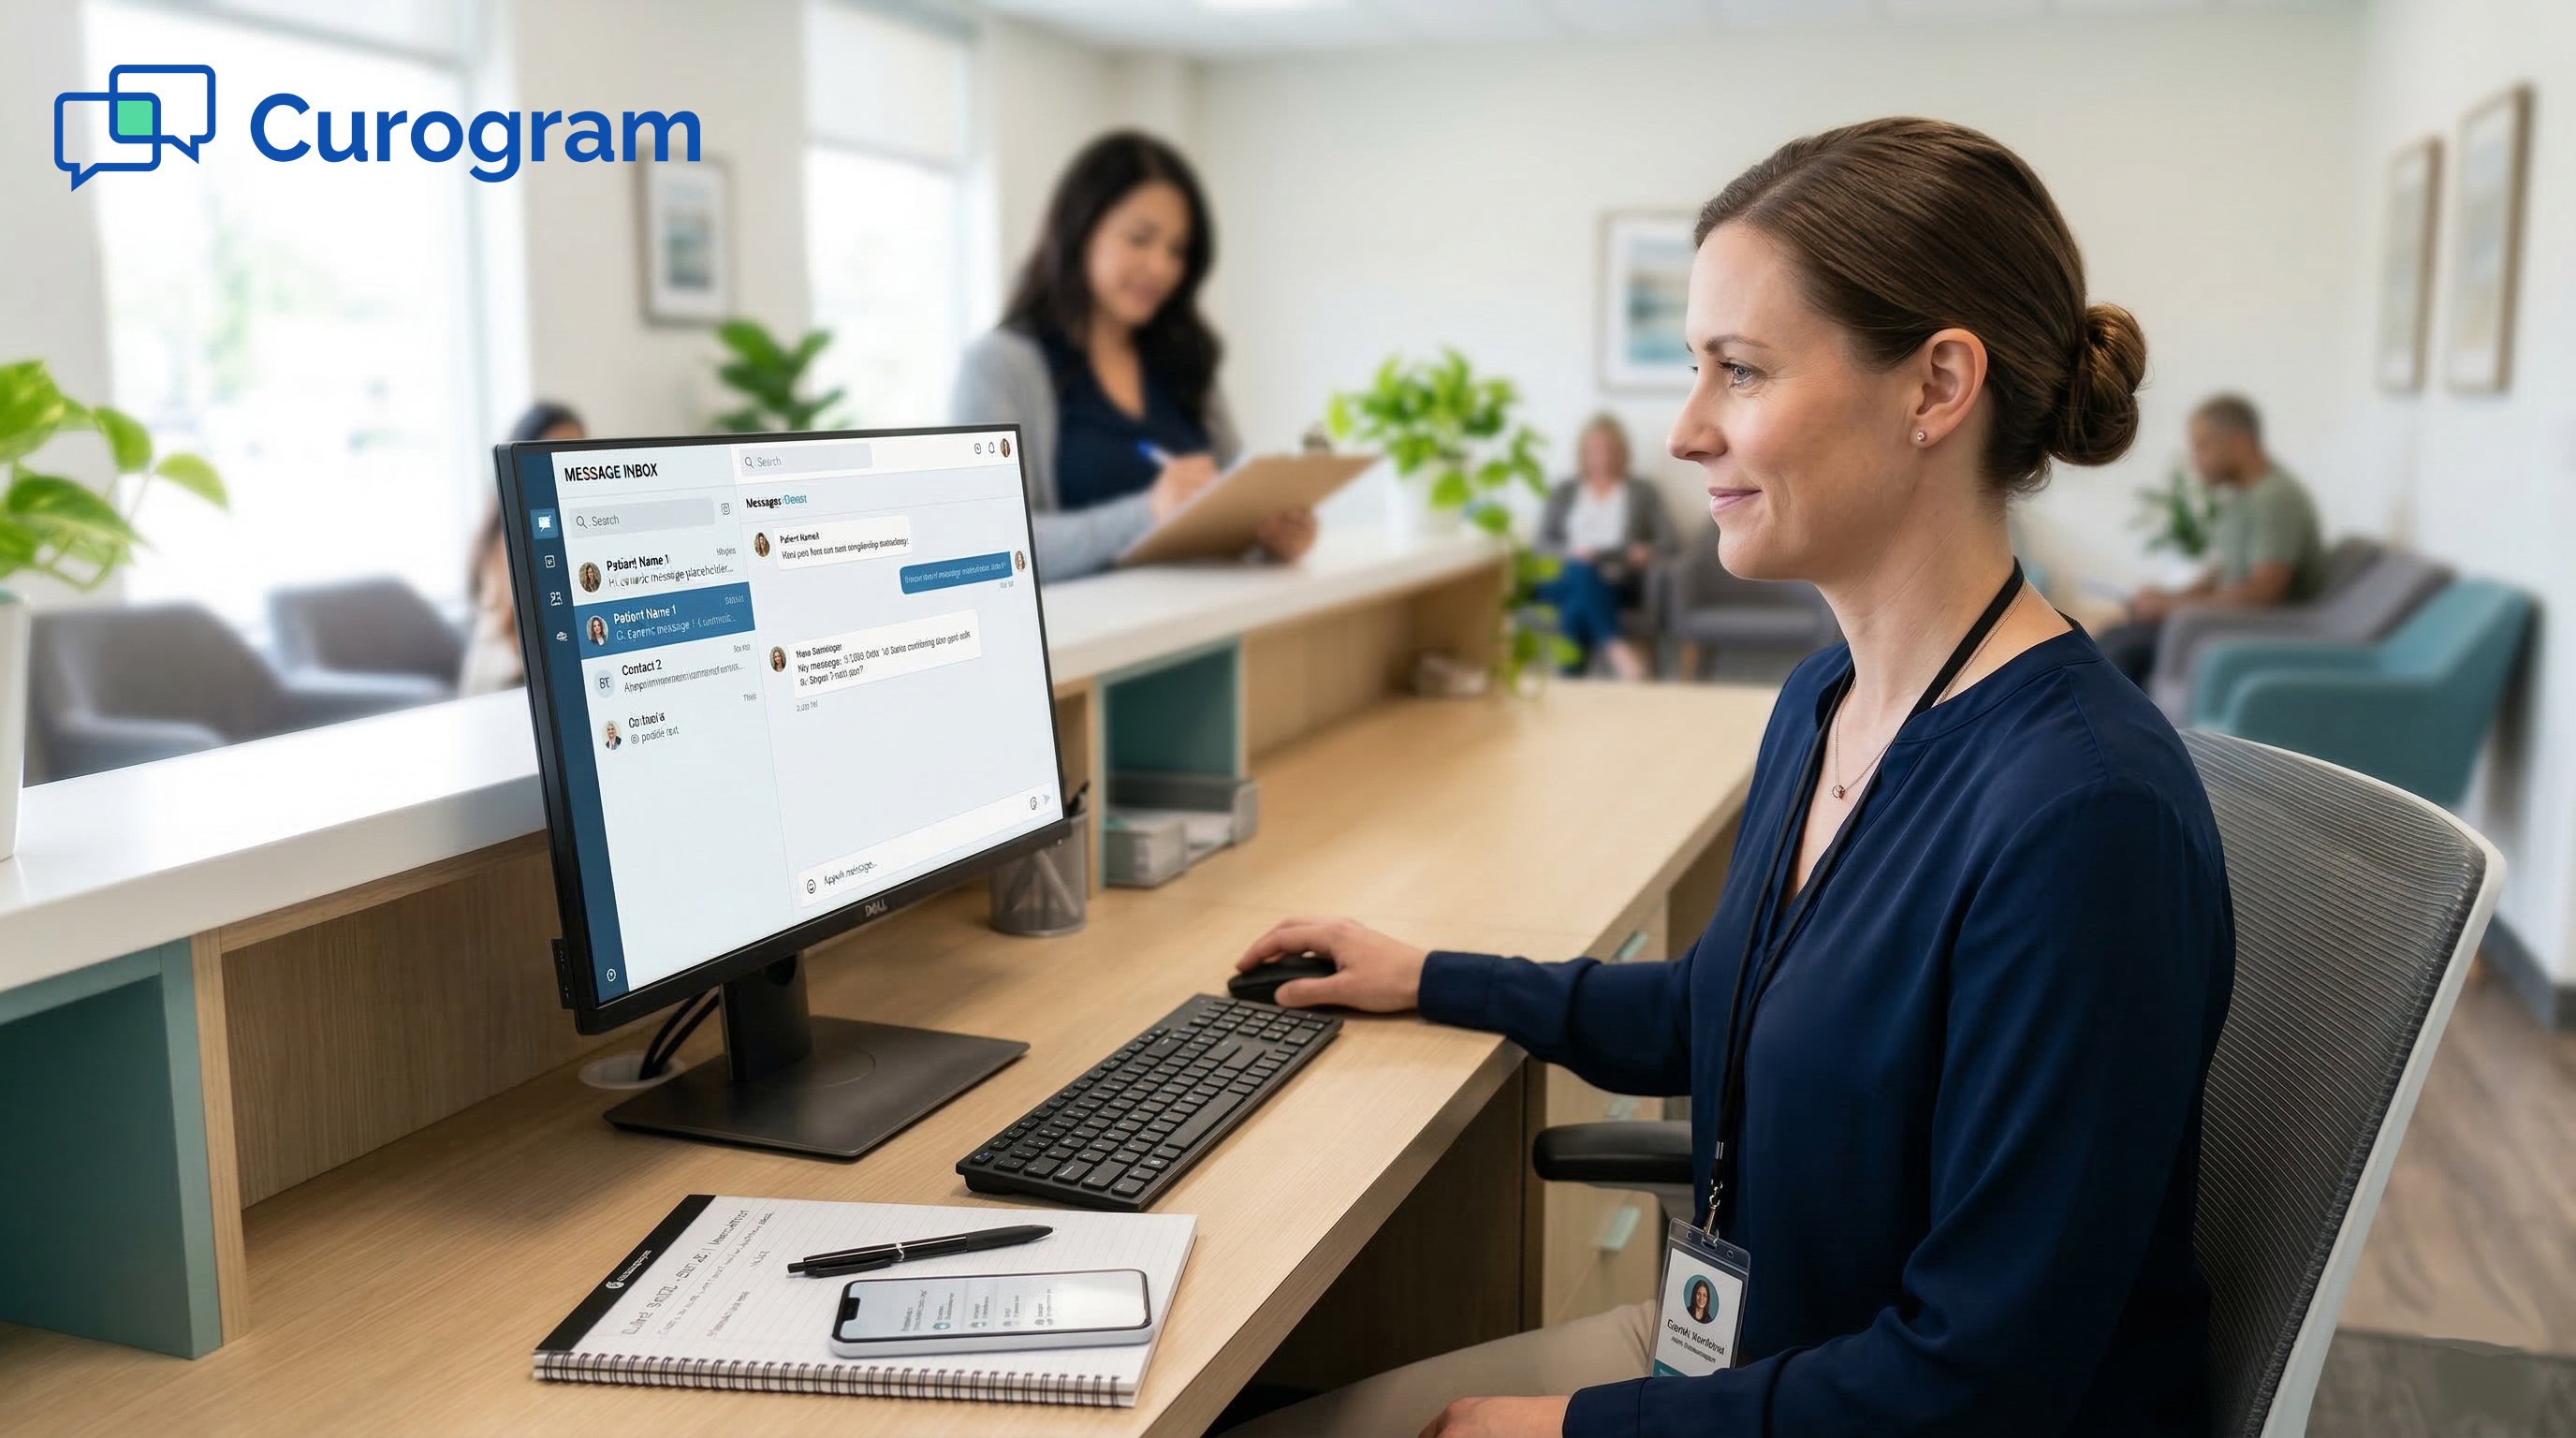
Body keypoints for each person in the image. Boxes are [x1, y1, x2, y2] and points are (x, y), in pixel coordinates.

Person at [1229, 118, 2233, 1438]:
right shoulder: (1826, 700)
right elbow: (1726, 1006)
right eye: (1694, 370)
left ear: (1937, 387)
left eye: (1740, 372)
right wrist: (1431, 976)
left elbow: (1978, 1385)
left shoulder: (2083, 818)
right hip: (1755, 1363)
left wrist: (1567, 1431)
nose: (1686, 433)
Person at [948, 131, 1316, 582]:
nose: (1161, 268)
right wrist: (1147, 512)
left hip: (1210, 615)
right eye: (1140, 239)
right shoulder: (997, 367)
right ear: (1081, 230)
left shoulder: (1186, 360)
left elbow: (1229, 502)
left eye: (1177, 250)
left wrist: (1267, 533)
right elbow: (985, 543)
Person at [2095, 394, 2328, 686]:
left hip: (2253, 633)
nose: (2195, 460)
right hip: (2220, 624)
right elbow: (2225, 572)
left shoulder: (2276, 499)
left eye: (2202, 446)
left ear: (2240, 443)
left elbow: (2263, 594)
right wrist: (2166, 598)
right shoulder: (2242, 496)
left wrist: (2169, 607)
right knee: (2110, 638)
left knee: (2119, 650)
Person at [1534, 413, 1678, 679]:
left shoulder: (1642, 491)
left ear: (1622, 451)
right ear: (1583, 453)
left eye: (1609, 449)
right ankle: (1617, 649)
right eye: (1595, 450)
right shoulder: (1565, 490)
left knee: (1576, 606)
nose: (1603, 456)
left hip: (1615, 580)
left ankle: (1570, 686)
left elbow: (1670, 542)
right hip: (1562, 576)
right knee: (1580, 569)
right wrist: (1571, 552)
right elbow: (1541, 544)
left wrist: (1646, 551)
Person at [461, 402, 586, 696]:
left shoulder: (564, 521)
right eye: (554, 451)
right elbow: (518, 630)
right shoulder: (508, 536)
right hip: (505, 675)